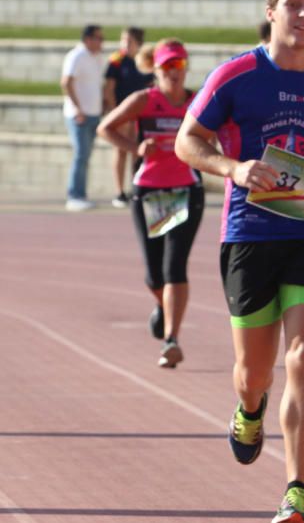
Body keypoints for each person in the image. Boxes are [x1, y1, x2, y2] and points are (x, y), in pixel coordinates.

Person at [175, 0, 304, 523]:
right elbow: (188, 140)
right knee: (254, 372)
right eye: (294, 5)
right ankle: (250, 408)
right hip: (250, 233)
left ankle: (297, 490)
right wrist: (234, 169)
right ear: (272, 11)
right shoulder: (237, 75)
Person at [97, 39, 204, 369]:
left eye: (180, 66)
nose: (175, 73)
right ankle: (163, 306)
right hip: (149, 192)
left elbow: (220, 132)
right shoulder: (144, 99)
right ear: (156, 70)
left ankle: (171, 339)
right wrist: (136, 147)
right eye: (168, 67)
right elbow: (105, 128)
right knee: (153, 276)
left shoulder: (197, 102)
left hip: (186, 190)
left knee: (175, 268)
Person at [104, 27, 155, 208]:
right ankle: (120, 192)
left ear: (138, 43)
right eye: (123, 40)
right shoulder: (117, 61)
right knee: (121, 150)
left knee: (138, 151)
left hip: (140, 114)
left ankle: (136, 187)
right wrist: (115, 112)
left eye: (129, 41)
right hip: (122, 113)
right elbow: (109, 88)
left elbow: (152, 85)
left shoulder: (146, 60)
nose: (125, 44)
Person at [61, 24, 105, 211]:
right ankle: (75, 195)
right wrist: (78, 108)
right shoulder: (76, 55)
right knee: (80, 155)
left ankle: (81, 194)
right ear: (88, 39)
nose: (101, 42)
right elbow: (66, 82)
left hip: (93, 113)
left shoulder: (96, 57)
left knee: (85, 156)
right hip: (79, 115)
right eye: (98, 38)